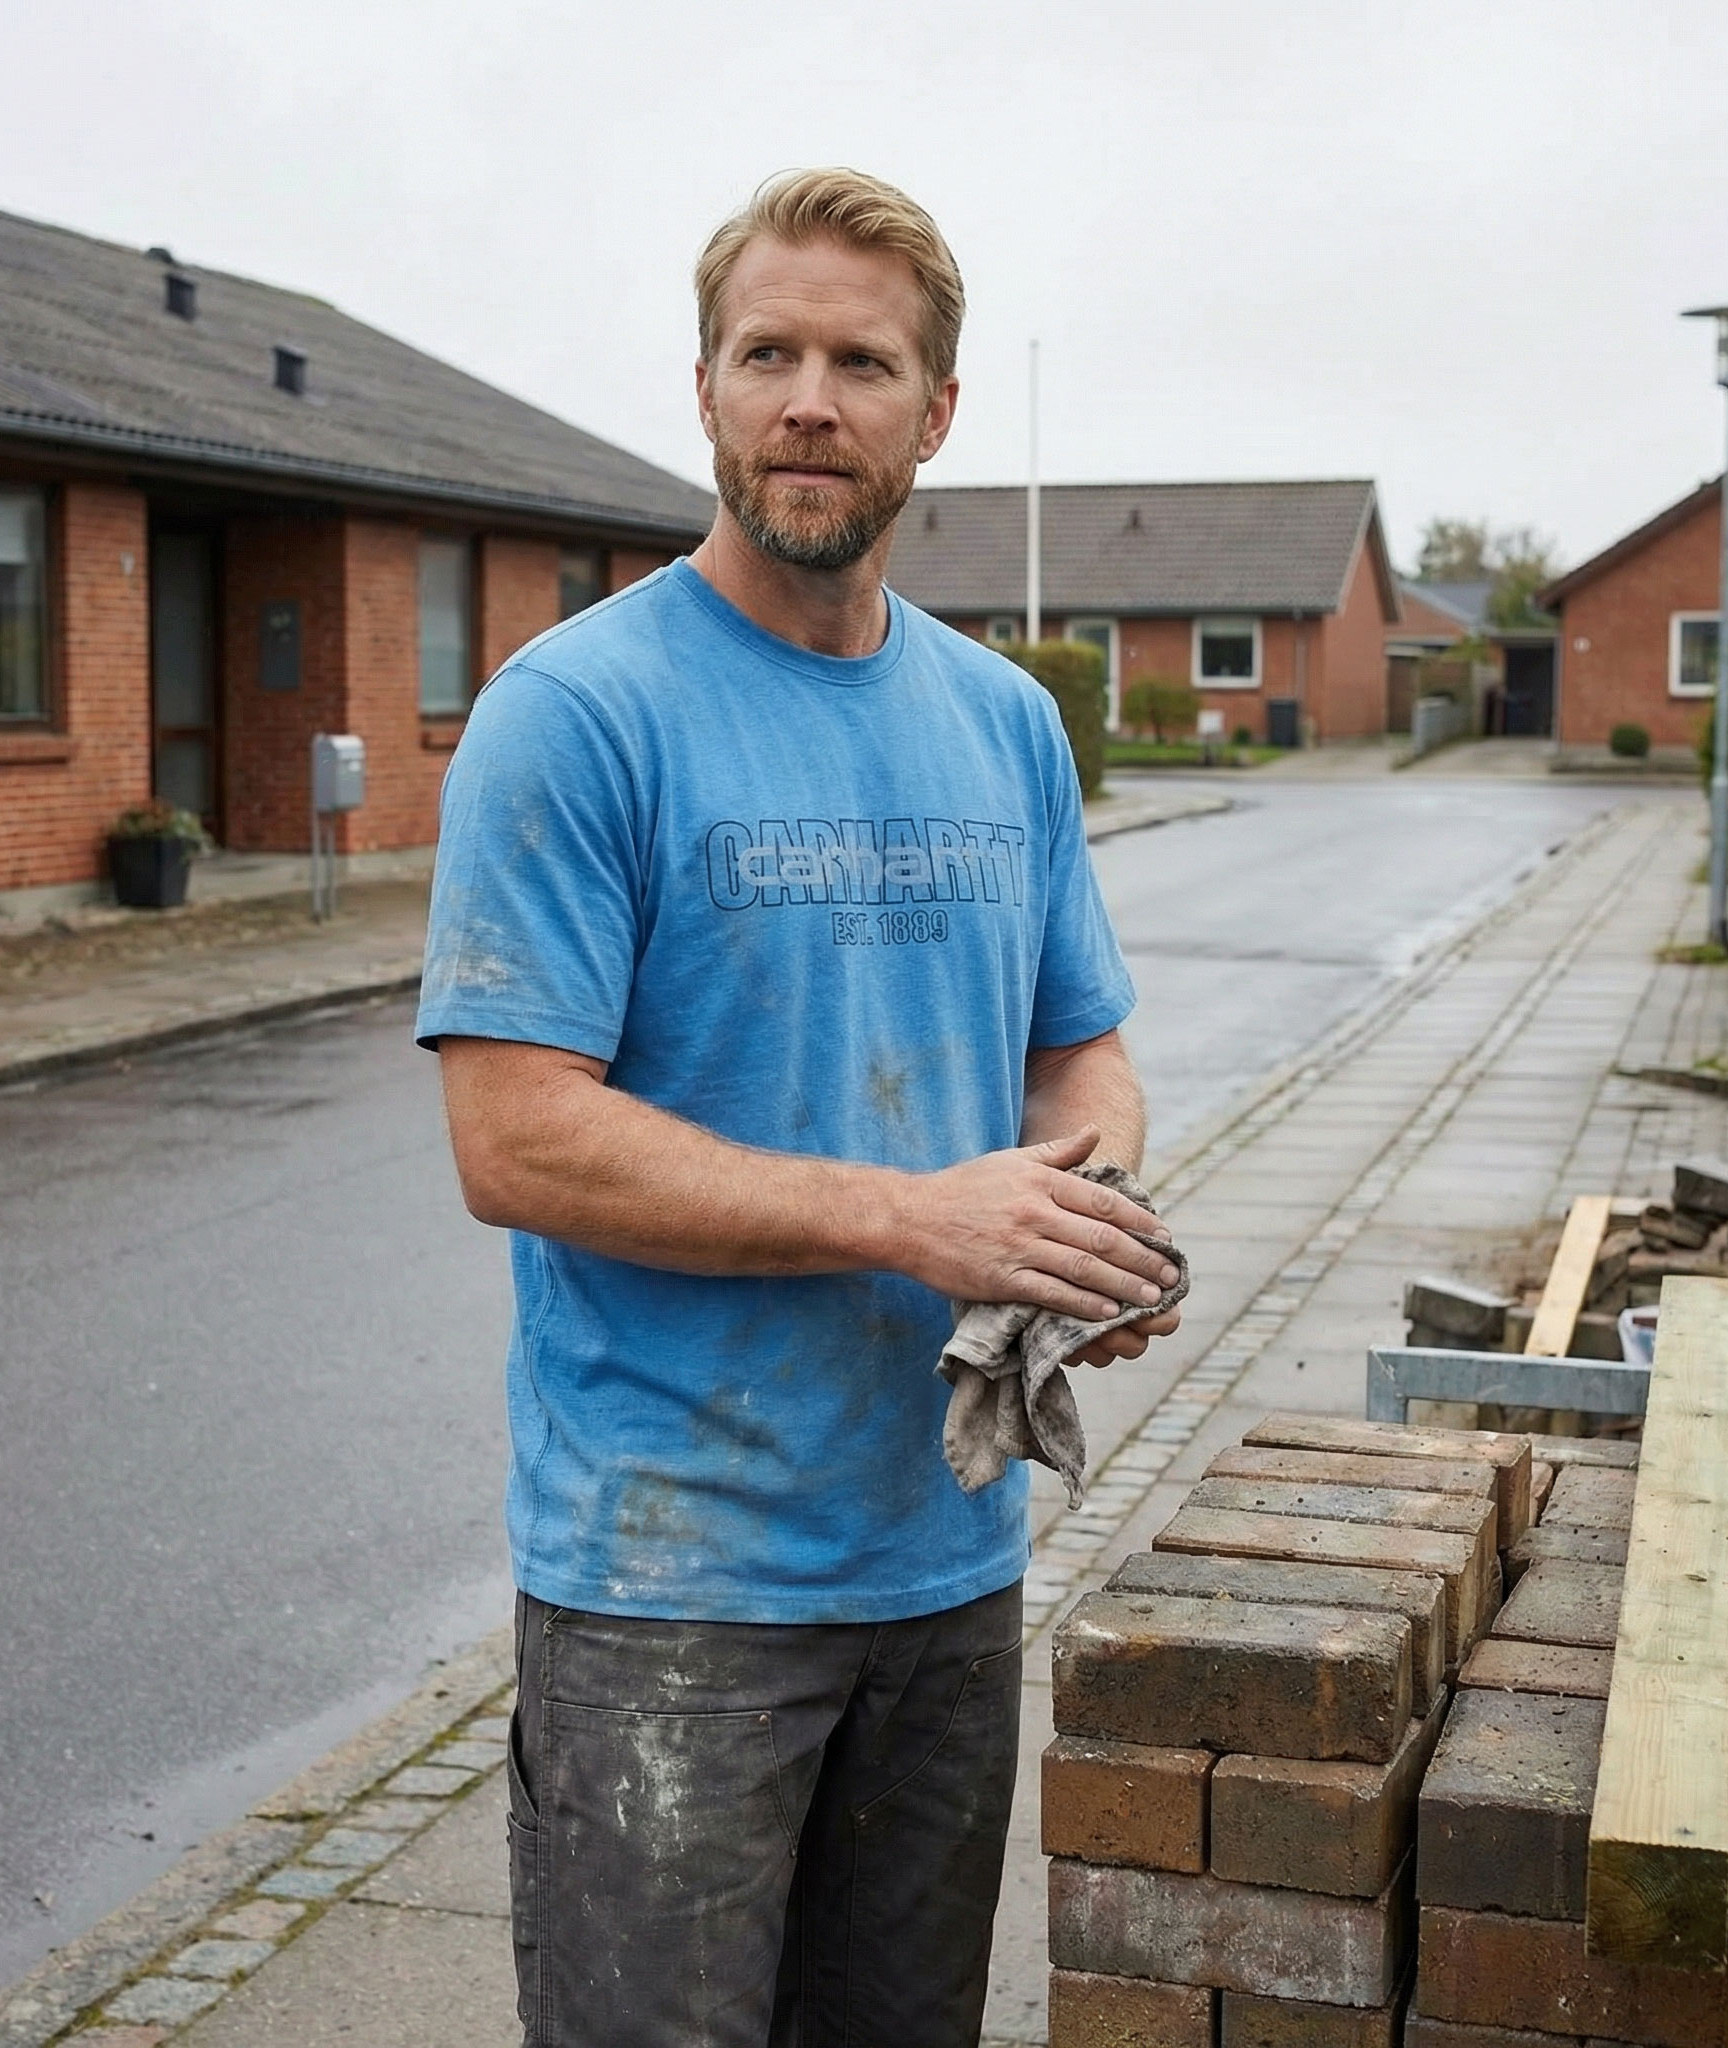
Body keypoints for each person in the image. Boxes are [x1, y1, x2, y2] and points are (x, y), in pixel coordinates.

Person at [416, 166, 1183, 2048]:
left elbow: (1080, 1049)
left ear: (938, 411)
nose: (810, 404)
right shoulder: (576, 713)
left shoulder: (1003, 722)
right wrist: (914, 1219)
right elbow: (513, 1138)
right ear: (704, 389)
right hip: (671, 1586)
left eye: (862, 364)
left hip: (946, 1555)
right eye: (767, 355)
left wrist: (1082, 1225)